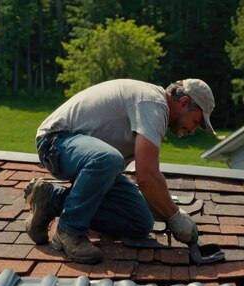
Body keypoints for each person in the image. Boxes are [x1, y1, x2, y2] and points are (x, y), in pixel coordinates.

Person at [25, 78, 215, 264]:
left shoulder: (153, 111)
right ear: (183, 102)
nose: (192, 131)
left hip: (91, 159)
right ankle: (70, 230)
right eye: (196, 122)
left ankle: (50, 199)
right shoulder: (153, 104)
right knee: (109, 159)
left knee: (139, 221)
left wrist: (162, 209)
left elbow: (111, 178)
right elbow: (147, 175)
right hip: (55, 142)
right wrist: (175, 217)